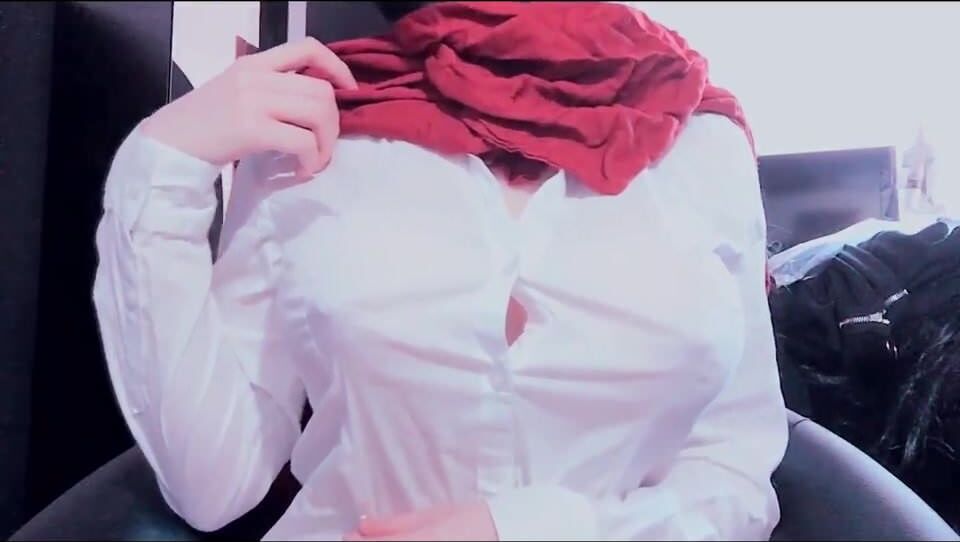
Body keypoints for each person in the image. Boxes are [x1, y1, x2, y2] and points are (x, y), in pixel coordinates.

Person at [93, 4, 788, 540]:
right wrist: (161, 167)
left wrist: (534, 529)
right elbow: (215, 485)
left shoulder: (705, 145)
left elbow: (736, 475)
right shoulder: (316, 121)